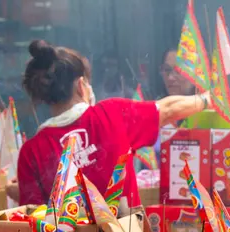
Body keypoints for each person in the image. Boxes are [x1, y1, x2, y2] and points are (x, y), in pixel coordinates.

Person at [16, 40, 210, 206]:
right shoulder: (111, 114)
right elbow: (167, 109)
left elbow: (33, 216)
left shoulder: (30, 152)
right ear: (81, 85)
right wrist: (207, 100)